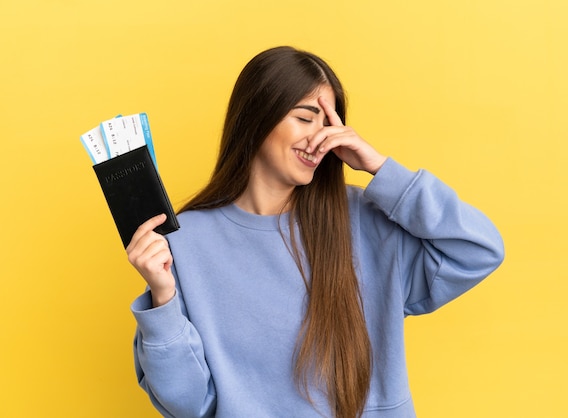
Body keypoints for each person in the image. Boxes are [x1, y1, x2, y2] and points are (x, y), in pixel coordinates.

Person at [126, 46, 504, 418]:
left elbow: (478, 250)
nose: (320, 138)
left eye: (329, 124)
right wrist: (162, 298)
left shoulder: (365, 219)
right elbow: (188, 403)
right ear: (259, 116)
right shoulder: (184, 241)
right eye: (306, 118)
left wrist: (381, 168)